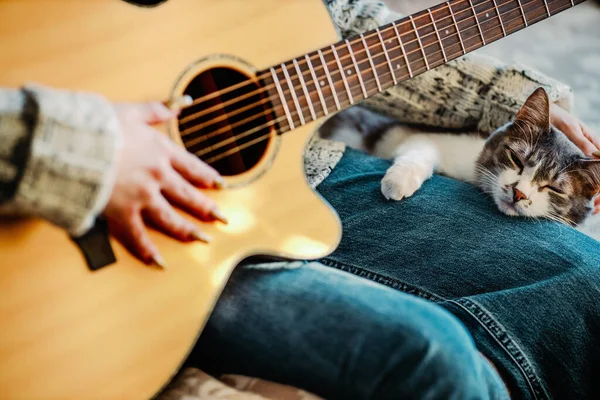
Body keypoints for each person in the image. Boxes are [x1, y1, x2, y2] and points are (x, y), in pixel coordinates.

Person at [2, 0, 599, 398]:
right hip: (100, 234)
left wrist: (516, 101)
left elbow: (336, 24)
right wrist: (82, 149)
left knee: (587, 278)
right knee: (429, 355)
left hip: (302, 178)